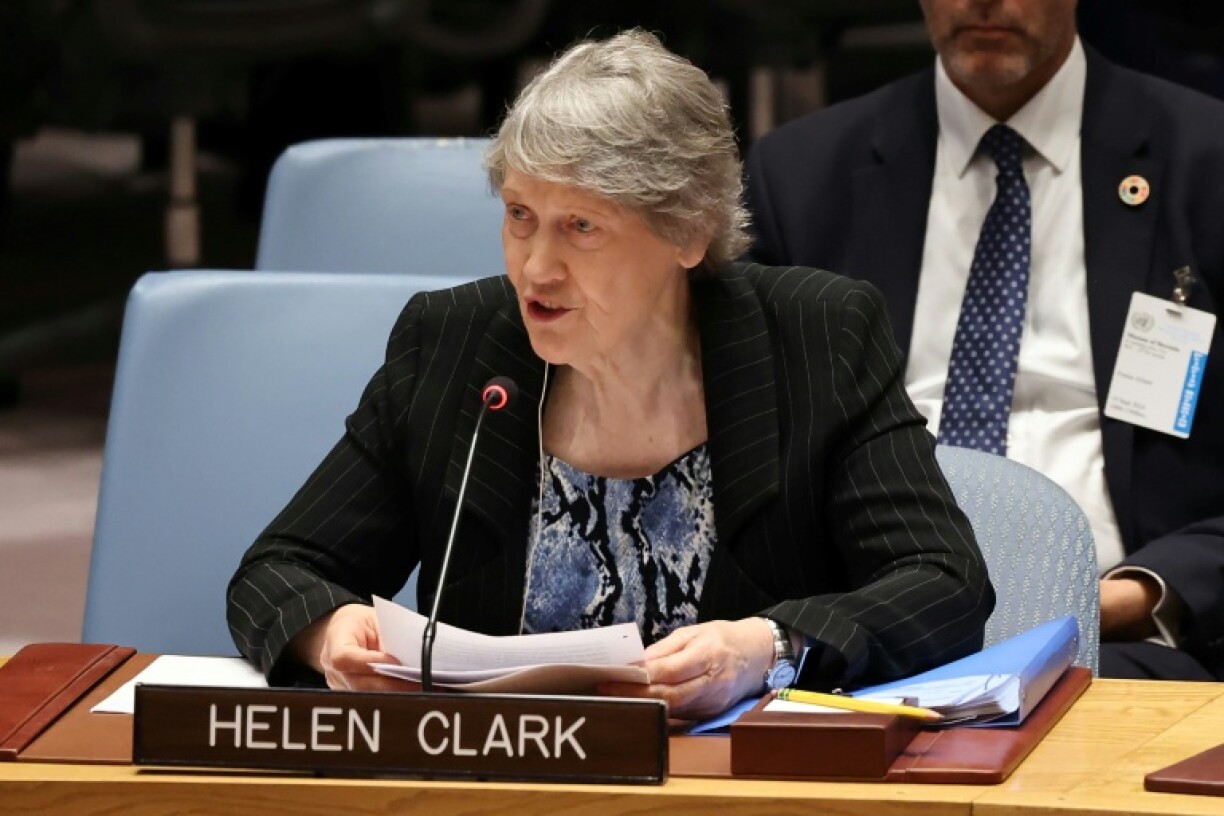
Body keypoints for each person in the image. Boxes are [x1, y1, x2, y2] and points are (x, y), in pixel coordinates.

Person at [227, 29, 993, 719]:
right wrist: (328, 632)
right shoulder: (455, 346)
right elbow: (279, 570)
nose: (536, 268)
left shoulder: (816, 338)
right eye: (520, 215)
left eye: (581, 226)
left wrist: (769, 647)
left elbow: (943, 583)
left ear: (688, 231)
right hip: (496, 784)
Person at [744, 0, 1224, 680]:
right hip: (867, 639)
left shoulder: (1205, 159)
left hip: (1122, 640)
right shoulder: (801, 175)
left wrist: (1138, 594)